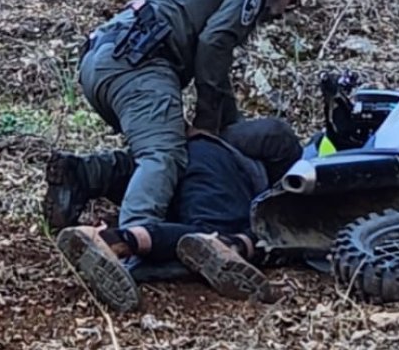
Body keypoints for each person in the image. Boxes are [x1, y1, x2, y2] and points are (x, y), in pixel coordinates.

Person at [70, 0, 308, 262]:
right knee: (162, 155)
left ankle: (81, 177)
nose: (281, 14)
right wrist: (209, 123)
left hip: (102, 61)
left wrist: (223, 124)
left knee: (167, 149)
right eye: (293, 2)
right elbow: (214, 44)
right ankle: (131, 248)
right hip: (139, 64)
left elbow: (213, 59)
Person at [45, 118, 303, 312]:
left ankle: (118, 240)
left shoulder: (163, 146)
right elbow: (276, 136)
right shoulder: (281, 157)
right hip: (212, 168)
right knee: (217, 234)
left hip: (167, 169)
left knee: (217, 238)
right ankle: (112, 240)